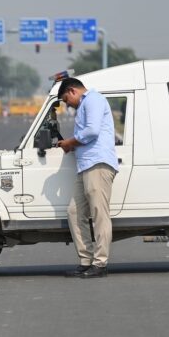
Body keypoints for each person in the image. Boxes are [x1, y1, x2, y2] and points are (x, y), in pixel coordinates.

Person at [56, 77, 118, 279]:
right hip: (85, 166)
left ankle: (100, 264)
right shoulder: (85, 105)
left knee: (99, 214)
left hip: (97, 164)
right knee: (74, 212)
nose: (68, 105)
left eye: (66, 100)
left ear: (72, 91)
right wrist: (71, 145)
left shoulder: (93, 99)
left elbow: (92, 131)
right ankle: (86, 261)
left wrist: (70, 142)